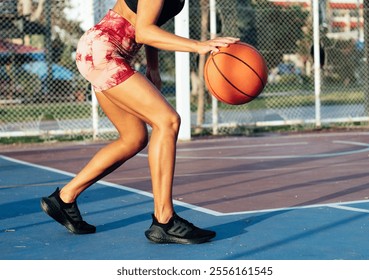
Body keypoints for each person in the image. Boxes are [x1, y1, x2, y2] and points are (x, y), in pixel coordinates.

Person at [40, 0, 239, 244]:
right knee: (167, 121)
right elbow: (144, 31)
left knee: (133, 138)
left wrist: (153, 67)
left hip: (108, 52)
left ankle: (64, 198)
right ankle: (164, 220)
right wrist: (198, 46)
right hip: (105, 50)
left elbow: (148, 27)